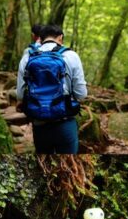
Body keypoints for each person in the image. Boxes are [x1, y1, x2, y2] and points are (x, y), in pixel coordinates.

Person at [16, 24, 87, 154]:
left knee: (44, 161)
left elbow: (20, 95)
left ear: (40, 39)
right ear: (60, 37)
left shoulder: (28, 56)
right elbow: (81, 94)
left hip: (39, 122)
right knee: (68, 162)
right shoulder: (71, 56)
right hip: (64, 121)